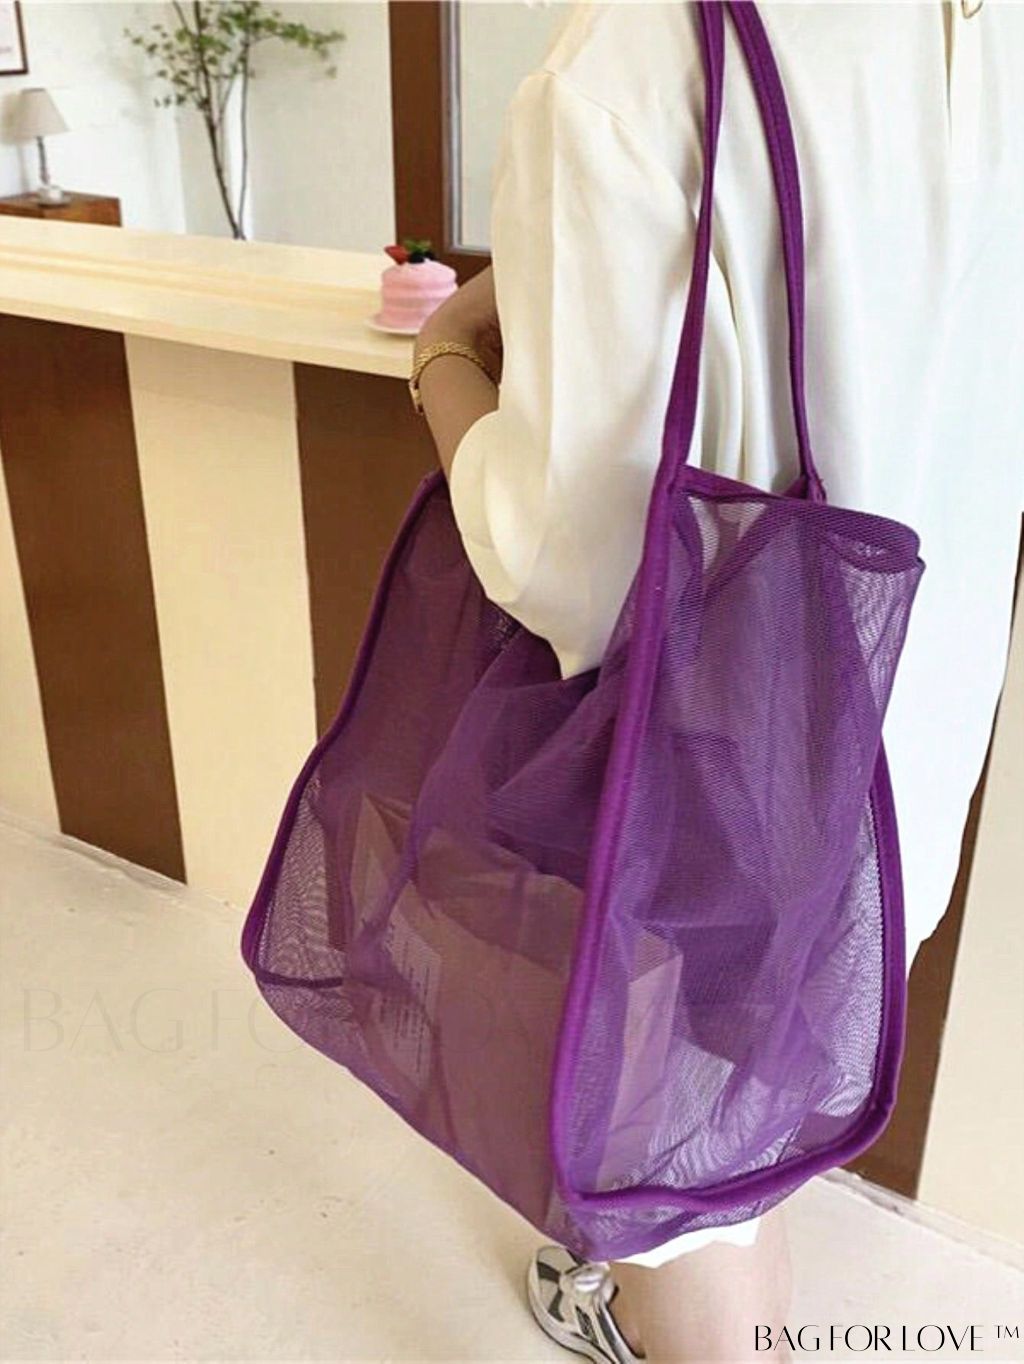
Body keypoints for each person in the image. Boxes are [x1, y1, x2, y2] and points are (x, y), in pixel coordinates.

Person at [410, 2, 1024, 1360]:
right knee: (759, 1072)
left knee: (677, 1157)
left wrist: (442, 360)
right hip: (912, 718)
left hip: (725, 744)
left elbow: (571, 560)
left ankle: (669, 1323)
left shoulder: (634, 57)